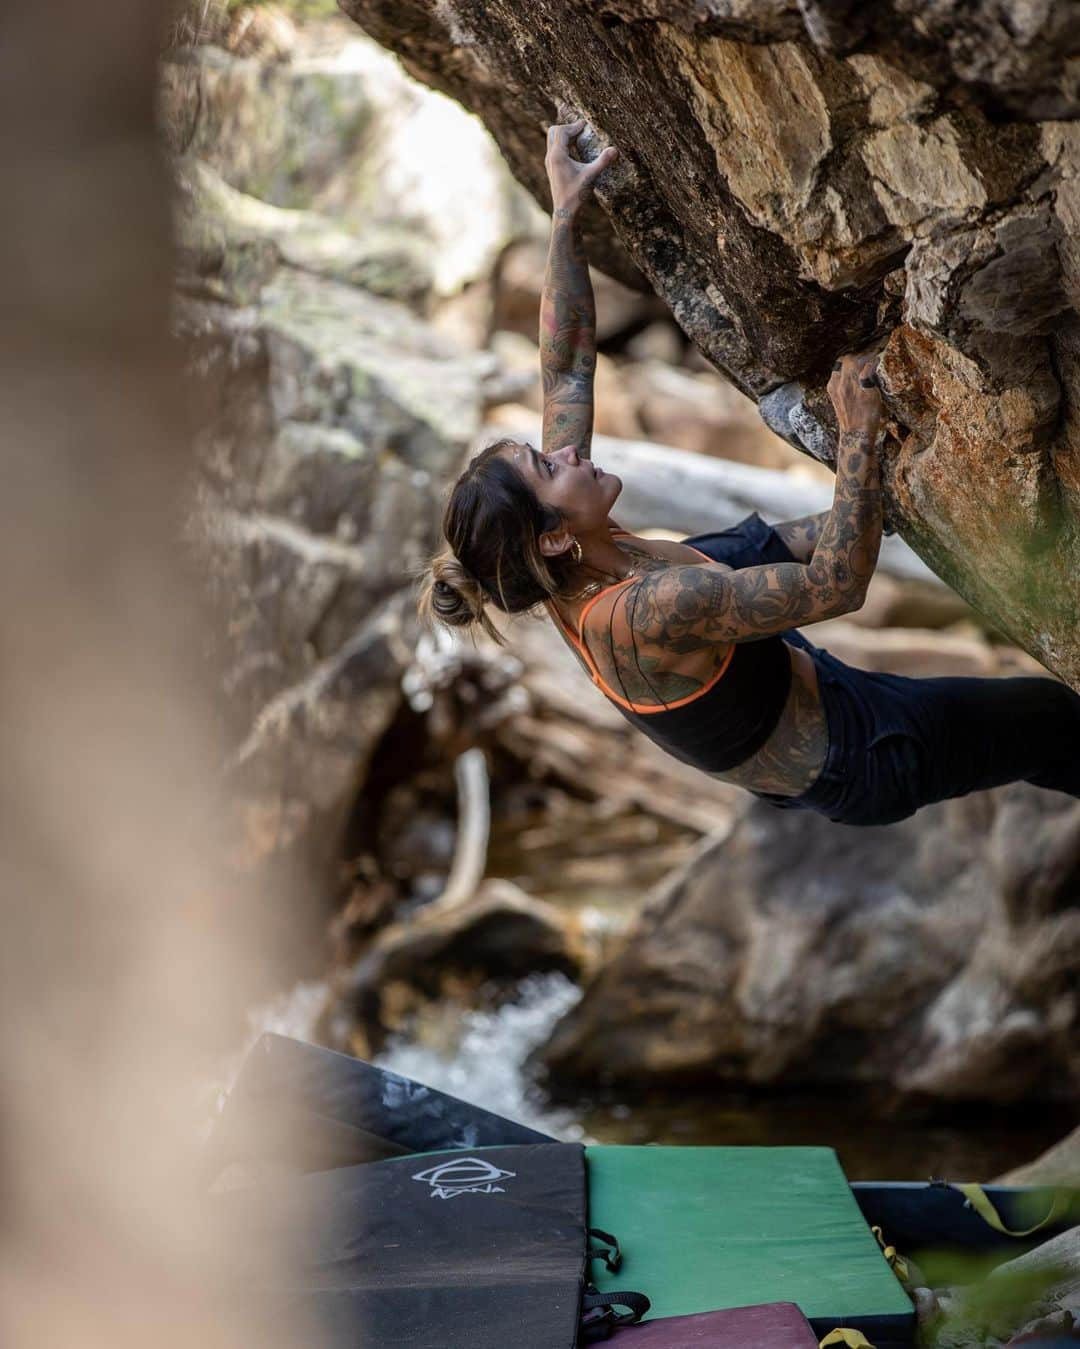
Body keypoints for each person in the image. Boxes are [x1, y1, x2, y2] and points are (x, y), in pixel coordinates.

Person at [420, 120, 1080, 827]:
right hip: (857, 749)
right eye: (549, 464)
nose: (569, 449)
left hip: (773, 666)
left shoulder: (558, 556)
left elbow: (568, 364)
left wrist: (566, 212)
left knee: (876, 516)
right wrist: (856, 434)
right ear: (552, 536)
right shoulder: (645, 612)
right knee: (1050, 721)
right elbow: (837, 586)